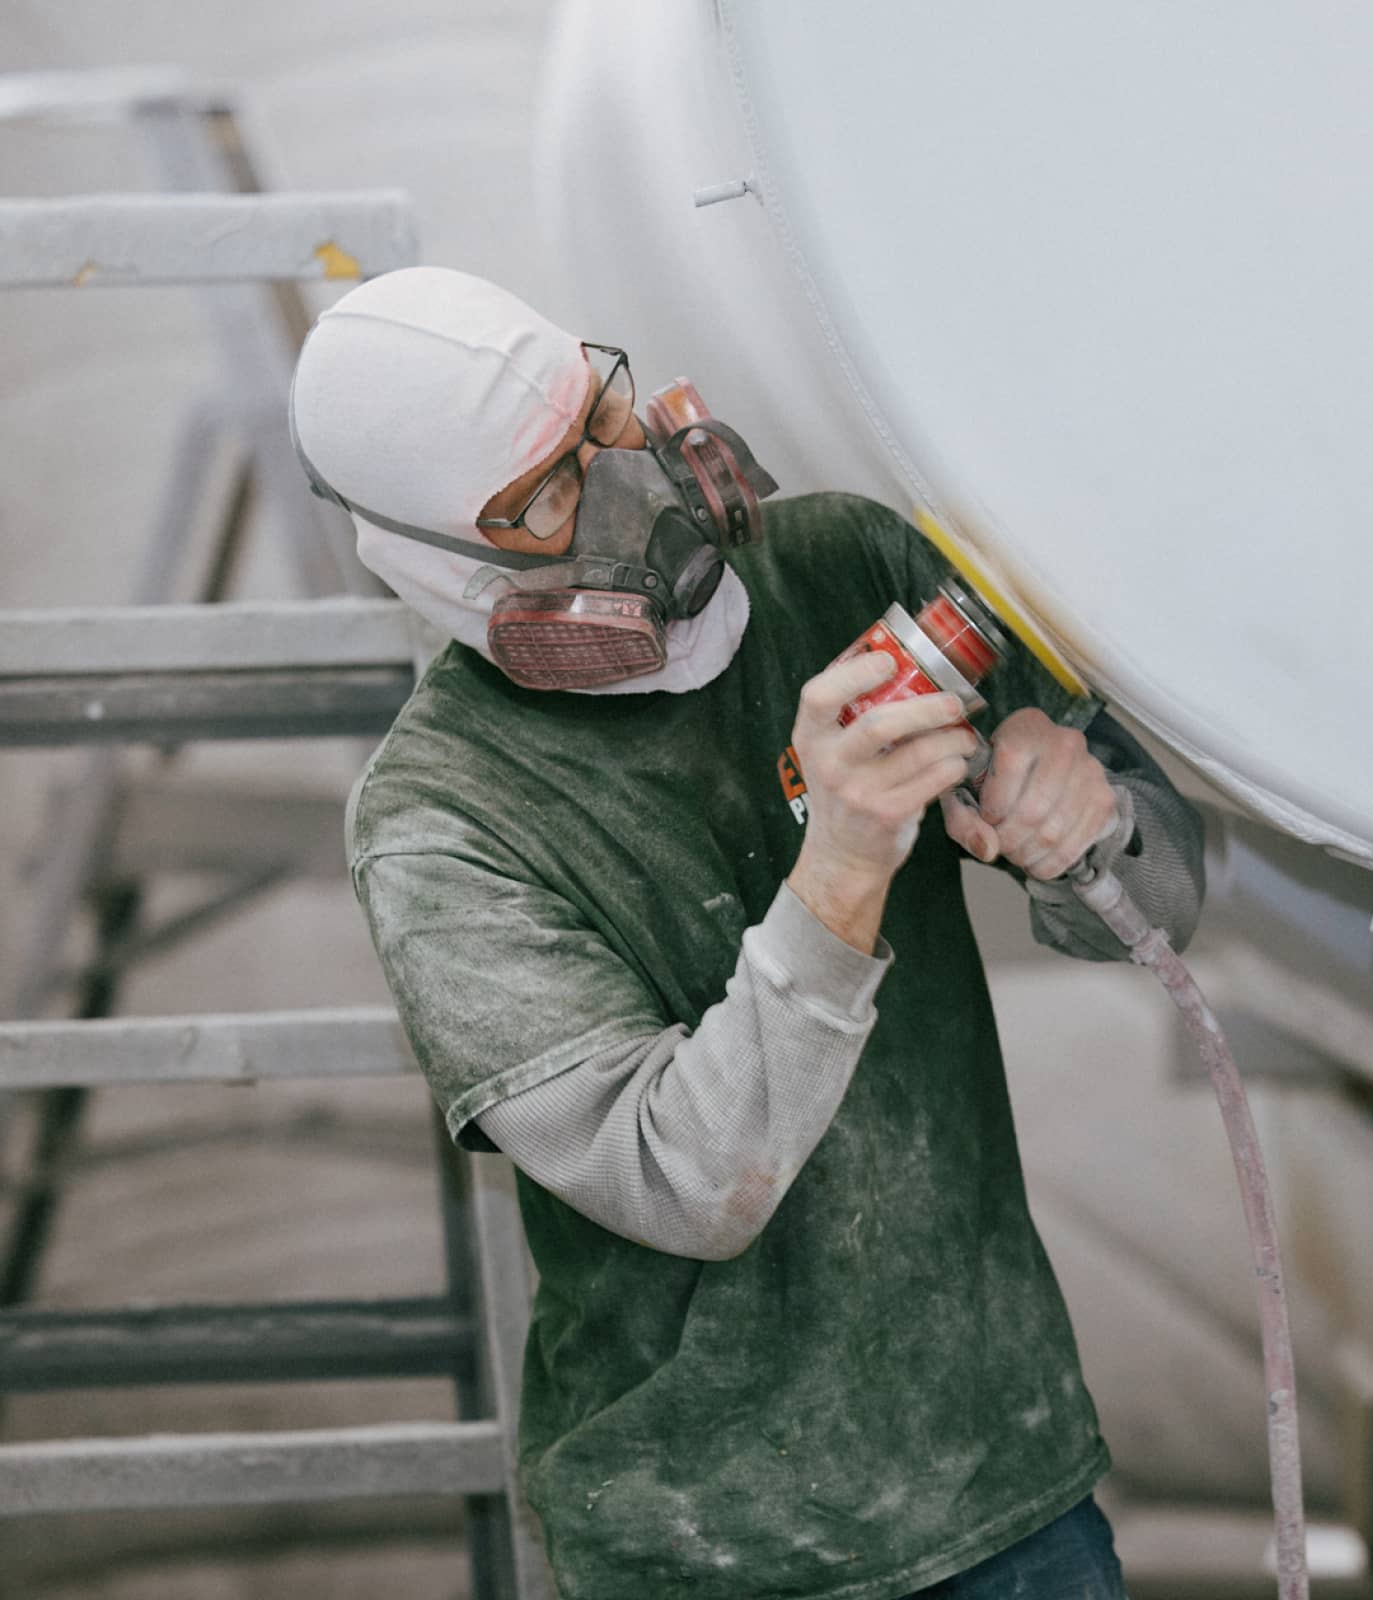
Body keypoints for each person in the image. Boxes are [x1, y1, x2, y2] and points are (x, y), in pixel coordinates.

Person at [290, 265, 1205, 1600]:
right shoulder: (444, 821)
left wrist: (1090, 822)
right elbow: (681, 1179)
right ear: (444, 566)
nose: (625, 482)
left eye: (606, 415)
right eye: (545, 495)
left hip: (1002, 1486)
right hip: (704, 1545)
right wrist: (838, 868)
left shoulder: (840, 568)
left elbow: (1166, 904)